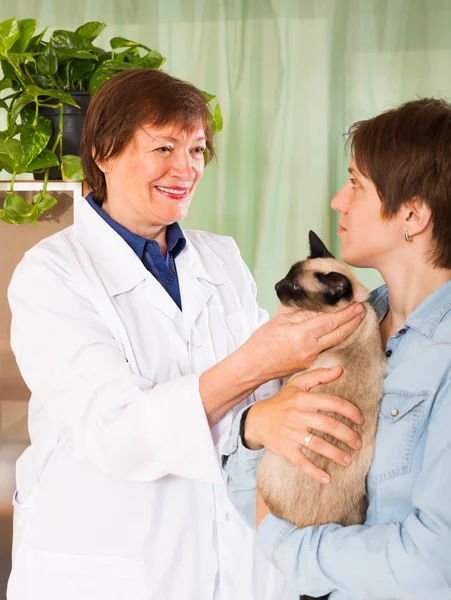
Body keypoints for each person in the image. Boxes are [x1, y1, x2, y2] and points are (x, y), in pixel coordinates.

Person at [6, 68, 366, 600]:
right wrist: (258, 366)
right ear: (103, 151)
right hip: (112, 565)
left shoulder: (220, 257)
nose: (186, 168)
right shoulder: (51, 273)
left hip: (235, 559)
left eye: (197, 150)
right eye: (164, 148)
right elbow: (116, 431)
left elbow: (265, 410)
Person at [222, 98, 451, 600]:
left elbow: (434, 567)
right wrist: (253, 428)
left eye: (355, 185)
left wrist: (284, 544)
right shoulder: (337, 329)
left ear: (412, 213)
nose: (336, 201)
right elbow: (251, 499)